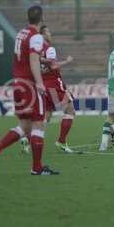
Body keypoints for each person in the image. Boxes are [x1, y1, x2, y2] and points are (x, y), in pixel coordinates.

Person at [0, 5, 59, 175]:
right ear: (42, 19)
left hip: (18, 84)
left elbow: (27, 56)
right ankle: (37, 168)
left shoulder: (21, 33)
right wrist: (39, 83)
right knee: (39, 125)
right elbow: (33, 60)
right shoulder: (36, 36)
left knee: (25, 126)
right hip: (30, 85)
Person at [20, 25, 76, 154]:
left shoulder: (35, 50)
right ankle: (61, 141)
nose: (50, 34)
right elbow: (54, 65)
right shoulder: (49, 48)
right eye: (48, 32)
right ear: (43, 35)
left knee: (46, 116)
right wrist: (67, 61)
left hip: (43, 85)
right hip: (54, 84)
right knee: (70, 110)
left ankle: (28, 138)